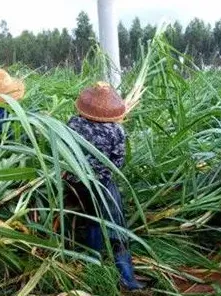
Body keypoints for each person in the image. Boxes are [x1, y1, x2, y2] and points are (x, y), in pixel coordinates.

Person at [64, 82, 145, 291]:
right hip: (101, 184)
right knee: (117, 226)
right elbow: (117, 163)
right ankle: (126, 277)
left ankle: (94, 271)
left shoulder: (73, 123)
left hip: (75, 183)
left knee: (93, 221)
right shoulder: (116, 130)